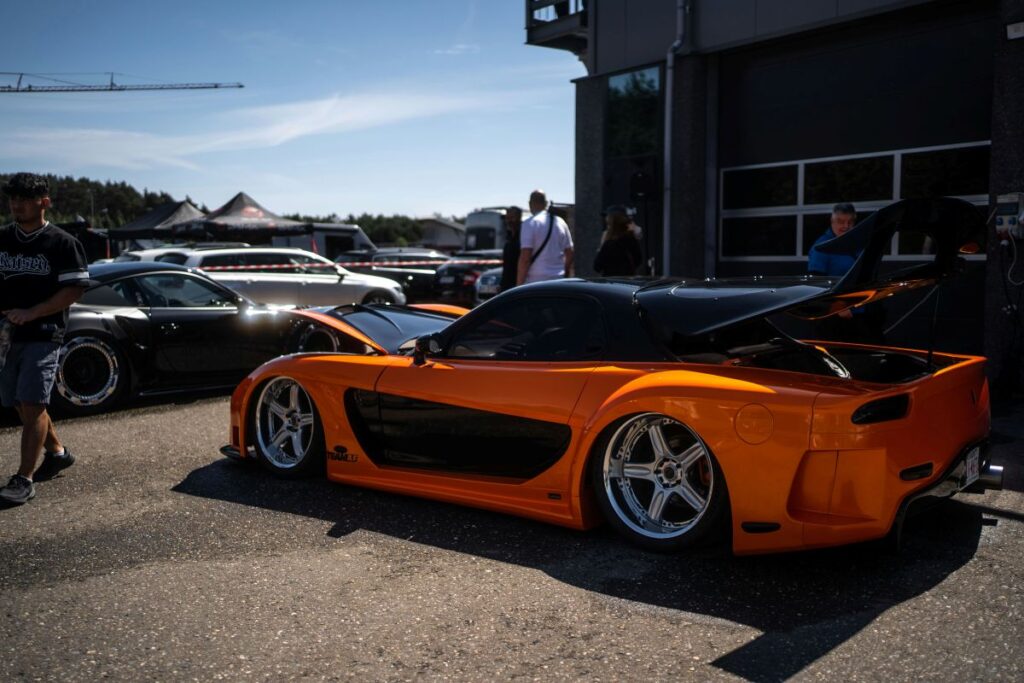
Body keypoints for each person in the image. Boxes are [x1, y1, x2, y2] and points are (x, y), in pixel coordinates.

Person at [0, 173, 89, 506]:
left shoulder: (62, 242)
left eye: (24, 199)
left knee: (34, 402)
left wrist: (34, 312)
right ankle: (58, 452)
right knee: (20, 403)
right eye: (13, 199)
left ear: (44, 202)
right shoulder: (3, 239)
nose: (16, 205)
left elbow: (74, 289)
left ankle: (24, 478)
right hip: (6, 335)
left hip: (44, 333)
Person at [807, 202, 883, 343]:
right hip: (835, 315)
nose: (845, 226)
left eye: (850, 222)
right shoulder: (822, 247)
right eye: (840, 221)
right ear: (832, 221)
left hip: (859, 311)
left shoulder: (857, 244)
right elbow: (816, 282)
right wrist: (838, 307)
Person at [517, 190, 574, 286]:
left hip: (535, 282)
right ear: (546, 203)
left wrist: (518, 286)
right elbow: (570, 253)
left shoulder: (529, 223)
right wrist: (564, 272)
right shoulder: (560, 222)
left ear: (530, 204)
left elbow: (525, 258)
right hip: (558, 280)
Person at [594, 206, 642, 276]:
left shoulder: (609, 244)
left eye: (608, 224)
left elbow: (597, 267)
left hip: (611, 283)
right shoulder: (631, 240)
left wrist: (602, 246)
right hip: (628, 283)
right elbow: (638, 261)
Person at [499, 206, 522, 293]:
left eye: (512, 218)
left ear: (519, 218)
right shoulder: (508, 237)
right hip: (506, 285)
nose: (509, 221)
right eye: (507, 218)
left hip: (518, 284)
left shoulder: (523, 236)